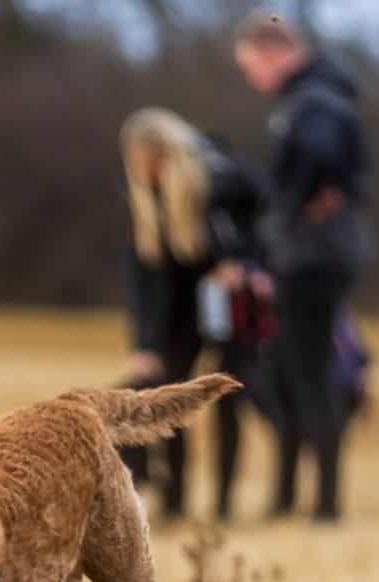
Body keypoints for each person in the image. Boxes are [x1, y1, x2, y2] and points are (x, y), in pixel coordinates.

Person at [235, 11, 372, 523]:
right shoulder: (311, 97)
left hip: (314, 256)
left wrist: (289, 207)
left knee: (311, 372)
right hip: (309, 253)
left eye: (251, 66)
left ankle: (326, 505)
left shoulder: (315, 99)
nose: (252, 78)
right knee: (290, 372)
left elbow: (320, 157)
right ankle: (293, 497)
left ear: (274, 52)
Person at [119, 108, 267, 522]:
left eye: (153, 163)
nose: (145, 173)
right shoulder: (147, 205)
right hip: (180, 311)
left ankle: (224, 503)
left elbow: (267, 226)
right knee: (167, 398)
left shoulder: (224, 183)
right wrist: (144, 345)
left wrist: (245, 265)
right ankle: (175, 501)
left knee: (229, 398)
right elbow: (144, 281)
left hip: (231, 305)